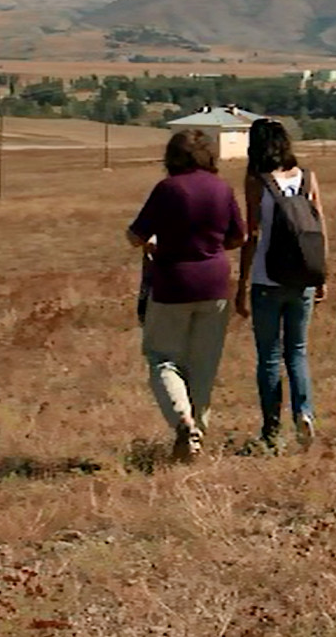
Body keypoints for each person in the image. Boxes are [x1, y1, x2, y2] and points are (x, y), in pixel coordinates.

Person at [127, 129, 244, 461]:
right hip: (215, 284)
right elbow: (238, 237)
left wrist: (155, 245)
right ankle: (197, 437)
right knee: (204, 365)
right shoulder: (222, 188)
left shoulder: (168, 189)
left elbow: (135, 236)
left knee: (162, 357)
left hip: (172, 283)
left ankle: (182, 419)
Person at [235, 119, 326, 453]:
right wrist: (321, 275)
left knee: (269, 357)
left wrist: (242, 282)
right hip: (303, 277)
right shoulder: (308, 177)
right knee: (297, 351)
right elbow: (319, 226)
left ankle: (271, 429)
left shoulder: (256, 181)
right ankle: (304, 412)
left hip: (267, 279)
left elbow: (252, 234)